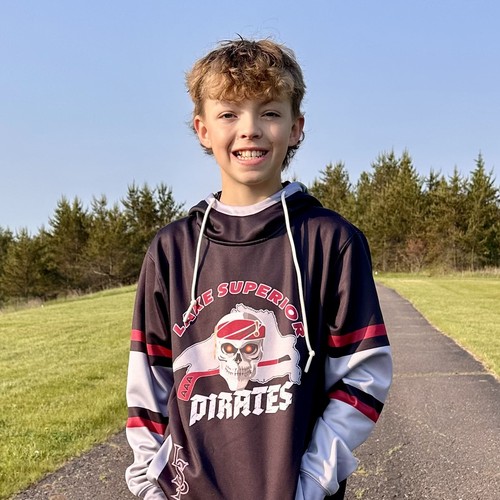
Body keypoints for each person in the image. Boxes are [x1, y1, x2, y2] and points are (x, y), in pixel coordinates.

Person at [125, 38, 392, 500]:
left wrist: (310, 482)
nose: (249, 130)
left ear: (296, 127)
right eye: (229, 114)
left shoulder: (330, 241)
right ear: (203, 129)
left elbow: (362, 374)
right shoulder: (171, 250)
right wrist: (153, 487)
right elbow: (149, 382)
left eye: (269, 112)